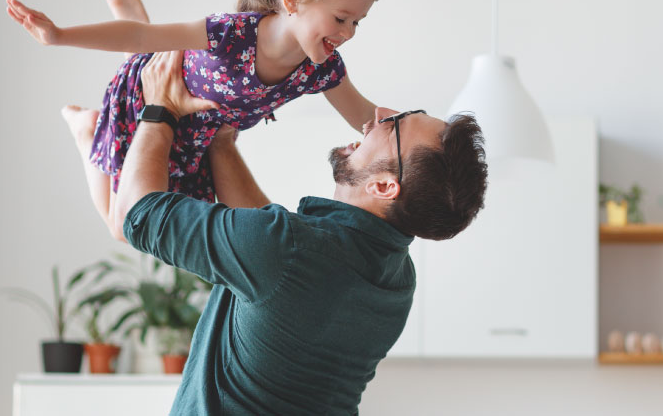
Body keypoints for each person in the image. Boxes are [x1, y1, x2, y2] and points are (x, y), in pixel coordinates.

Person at [116, 50, 489, 415]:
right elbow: (271, 255)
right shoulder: (394, 277)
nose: (380, 114)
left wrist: (158, 110)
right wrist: (221, 140)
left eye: (395, 124)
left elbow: (138, 215)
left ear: (384, 186)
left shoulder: (288, 251)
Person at [6, 0, 381, 240]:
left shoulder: (322, 69)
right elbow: (138, 37)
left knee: (150, 225)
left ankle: (138, 38)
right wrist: (58, 35)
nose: (348, 33)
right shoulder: (231, 34)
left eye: (357, 22)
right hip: (147, 103)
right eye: (341, 18)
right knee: (123, 228)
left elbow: (366, 115)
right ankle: (87, 130)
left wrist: (434, 132)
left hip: (195, 138)